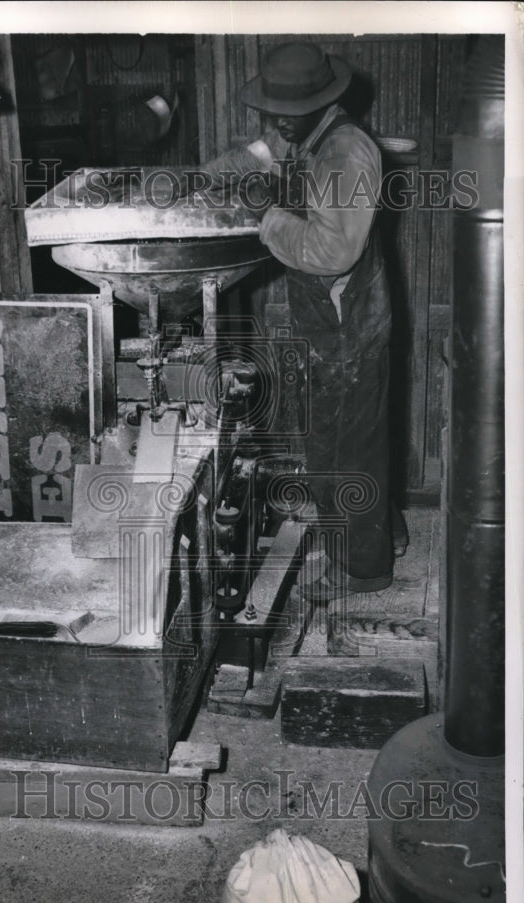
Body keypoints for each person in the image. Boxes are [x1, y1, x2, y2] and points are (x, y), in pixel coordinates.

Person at [192, 41, 407, 601]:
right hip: (338, 322)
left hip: (348, 329)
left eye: (284, 111)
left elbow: (333, 251)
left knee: (341, 450)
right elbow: (231, 167)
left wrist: (267, 216)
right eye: (271, 109)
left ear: (320, 100)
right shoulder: (302, 135)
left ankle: (361, 571)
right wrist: (217, 179)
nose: (274, 121)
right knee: (356, 439)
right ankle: (382, 538)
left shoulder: (344, 153)